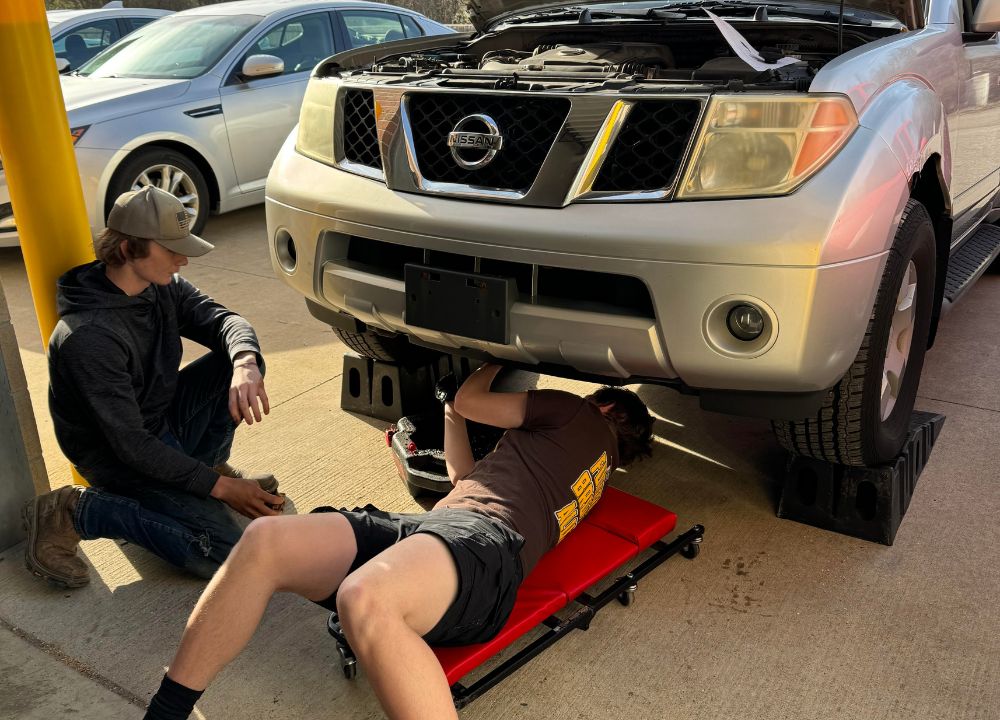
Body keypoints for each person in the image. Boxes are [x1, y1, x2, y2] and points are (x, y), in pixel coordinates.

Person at [142, 362, 655, 720]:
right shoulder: (593, 468)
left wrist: (496, 362)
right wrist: (452, 414)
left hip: (482, 545)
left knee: (362, 597)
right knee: (266, 541)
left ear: (607, 409)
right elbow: (462, 480)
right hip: (447, 536)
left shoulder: (574, 412)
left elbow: (477, 400)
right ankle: (166, 714)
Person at [22, 185, 284, 589]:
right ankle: (75, 511)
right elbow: (132, 446)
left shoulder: (161, 286)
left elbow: (224, 321)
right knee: (226, 555)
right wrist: (224, 489)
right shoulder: (88, 337)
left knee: (235, 360)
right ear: (127, 249)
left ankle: (204, 467)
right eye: (171, 249)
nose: (183, 260)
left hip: (159, 422)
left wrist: (245, 363)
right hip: (120, 459)